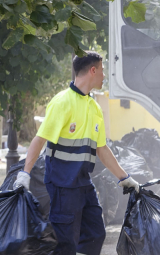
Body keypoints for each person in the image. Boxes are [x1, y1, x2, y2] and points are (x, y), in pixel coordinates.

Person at [17, 52, 140, 255]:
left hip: (83, 183)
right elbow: (39, 139)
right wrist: (25, 173)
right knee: (66, 243)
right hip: (62, 184)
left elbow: (101, 149)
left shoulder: (94, 108)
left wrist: (124, 178)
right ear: (92, 70)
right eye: (102, 70)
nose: (104, 75)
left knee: (95, 233)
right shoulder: (62, 102)